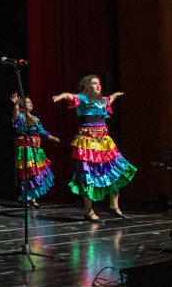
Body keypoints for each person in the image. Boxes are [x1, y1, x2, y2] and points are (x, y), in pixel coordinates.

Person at [53, 75, 136, 220]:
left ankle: (114, 205)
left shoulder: (102, 101)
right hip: (87, 143)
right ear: (87, 86)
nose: (98, 85)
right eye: (94, 83)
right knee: (88, 175)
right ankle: (89, 212)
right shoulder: (84, 98)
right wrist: (60, 96)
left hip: (104, 143)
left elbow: (110, 98)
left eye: (99, 83)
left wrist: (116, 95)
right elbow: (69, 96)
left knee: (118, 169)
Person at [10, 93, 59, 208]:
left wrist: (53, 138)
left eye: (31, 102)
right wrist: (16, 105)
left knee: (37, 172)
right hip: (26, 149)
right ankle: (25, 198)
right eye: (27, 102)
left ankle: (33, 199)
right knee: (28, 173)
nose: (31, 104)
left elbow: (42, 132)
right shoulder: (21, 117)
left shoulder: (35, 118)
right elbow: (15, 116)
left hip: (36, 149)